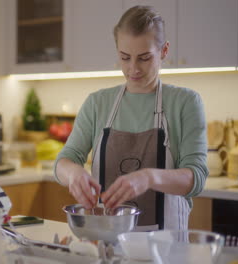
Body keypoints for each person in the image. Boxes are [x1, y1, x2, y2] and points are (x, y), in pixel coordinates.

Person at [54, 5, 208, 230]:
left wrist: (149, 178)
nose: (133, 68)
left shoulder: (186, 103)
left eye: (144, 58)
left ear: (164, 51)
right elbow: (64, 161)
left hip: (166, 249)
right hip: (110, 245)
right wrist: (73, 173)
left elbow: (196, 178)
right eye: (125, 57)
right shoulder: (98, 103)